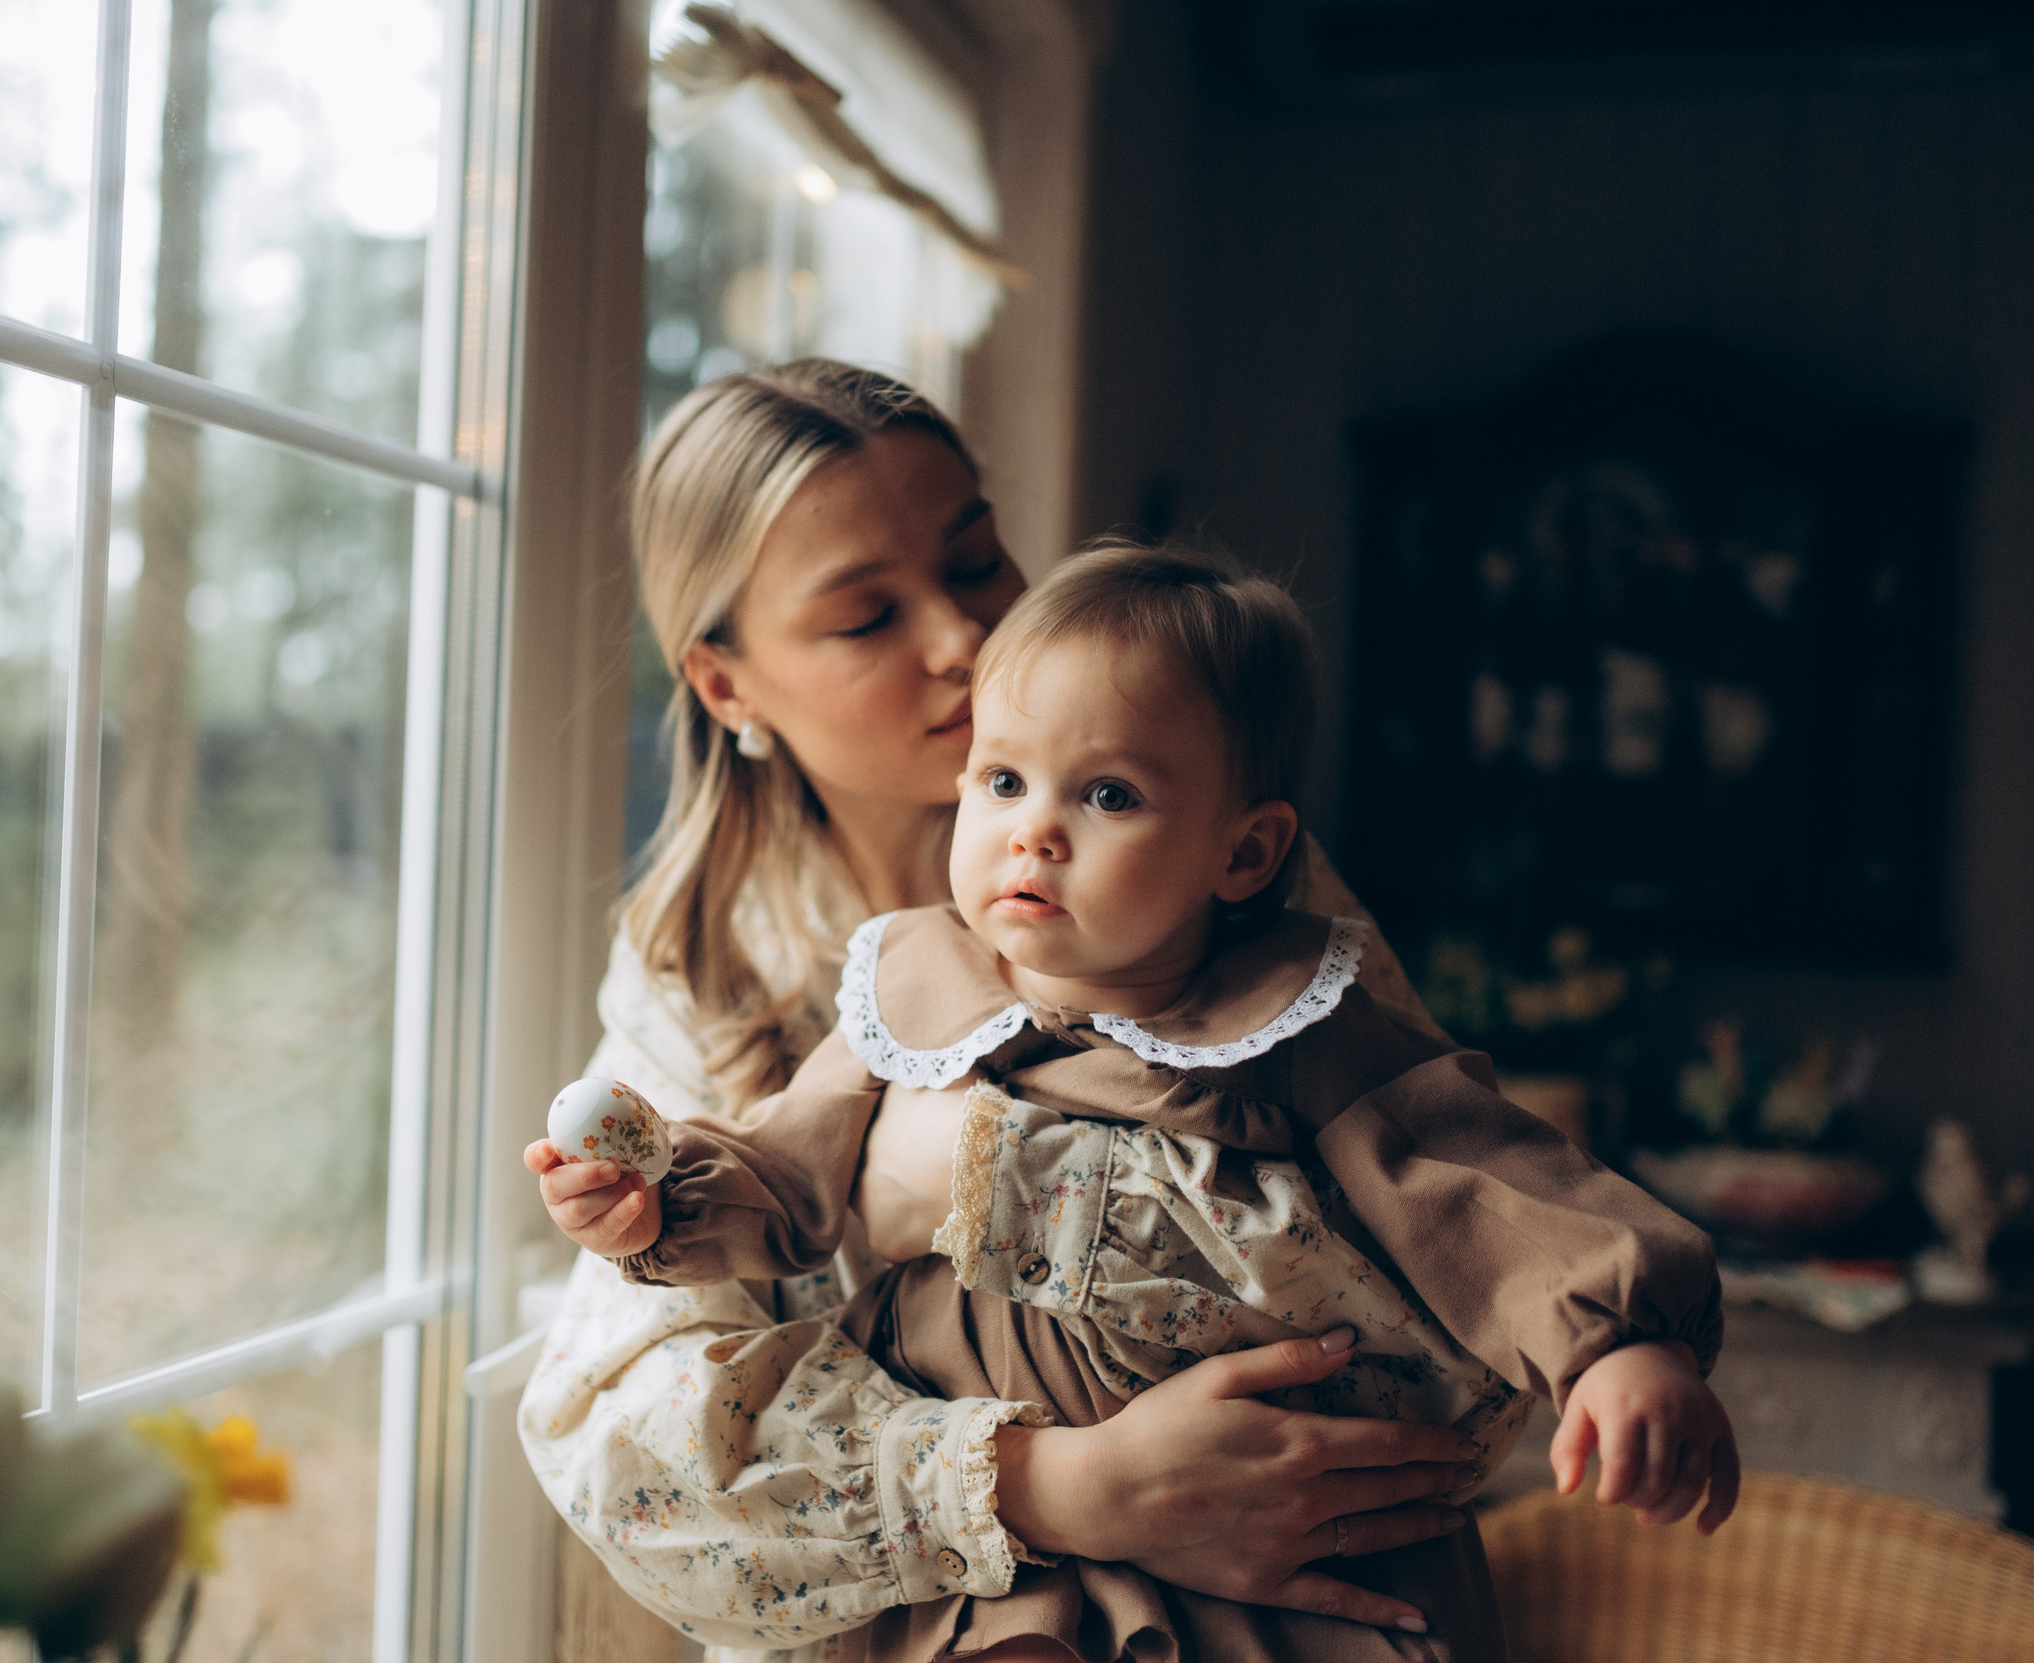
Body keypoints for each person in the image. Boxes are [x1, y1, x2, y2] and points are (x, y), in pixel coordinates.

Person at [534, 541, 1736, 1661]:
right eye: (1001, 780)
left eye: (1106, 796)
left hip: (1265, 1543)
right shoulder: (912, 981)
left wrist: (1617, 1344)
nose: (1033, 832)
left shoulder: (1293, 1010)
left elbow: (1482, 1183)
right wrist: (661, 1204)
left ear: (1246, 854)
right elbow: (786, 1176)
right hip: (1017, 1546)